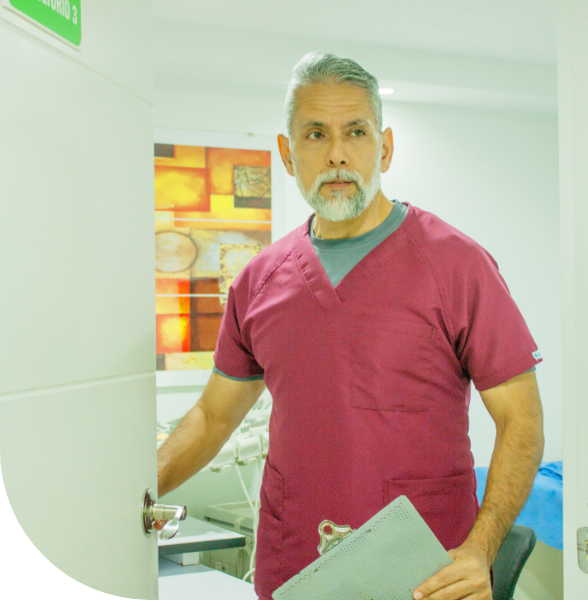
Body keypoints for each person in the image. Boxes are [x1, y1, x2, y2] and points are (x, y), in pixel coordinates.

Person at [156, 52, 545, 600]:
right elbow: (214, 416)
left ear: (383, 148)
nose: (337, 154)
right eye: (315, 134)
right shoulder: (259, 281)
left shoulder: (456, 266)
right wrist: (136, 491)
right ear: (287, 153)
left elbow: (521, 420)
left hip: (427, 571)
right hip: (297, 564)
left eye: (356, 132)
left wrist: (481, 548)